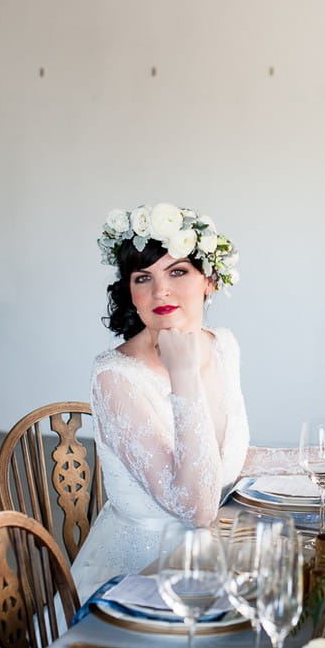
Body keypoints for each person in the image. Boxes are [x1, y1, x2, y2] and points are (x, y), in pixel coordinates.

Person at [71, 203, 250, 601]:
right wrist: (183, 376)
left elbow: (224, 459)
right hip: (137, 580)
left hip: (209, 560)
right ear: (130, 291)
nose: (160, 291)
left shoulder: (223, 346)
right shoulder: (114, 377)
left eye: (178, 271)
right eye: (143, 278)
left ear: (211, 281)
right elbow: (199, 509)